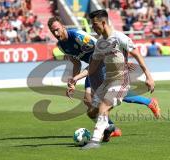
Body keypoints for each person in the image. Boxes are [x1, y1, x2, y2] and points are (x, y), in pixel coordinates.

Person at [47, 16, 160, 142]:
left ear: (63, 26)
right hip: (93, 69)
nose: (56, 33)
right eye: (53, 32)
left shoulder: (78, 37)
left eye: (57, 29)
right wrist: (73, 81)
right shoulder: (62, 46)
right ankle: (113, 127)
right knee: (90, 100)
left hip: (105, 63)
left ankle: (114, 125)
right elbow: (76, 63)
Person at [81, 9, 156, 149]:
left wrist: (149, 77)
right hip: (107, 82)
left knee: (104, 106)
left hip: (120, 80)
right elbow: (92, 67)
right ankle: (109, 128)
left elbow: (137, 54)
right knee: (91, 112)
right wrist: (75, 78)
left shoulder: (119, 37)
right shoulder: (100, 43)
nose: (93, 28)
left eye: (95, 25)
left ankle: (95, 141)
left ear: (103, 23)